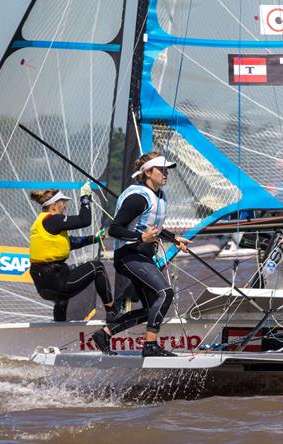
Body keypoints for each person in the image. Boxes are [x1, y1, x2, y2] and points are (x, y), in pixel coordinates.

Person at [91, 152, 190, 357]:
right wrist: (140, 238)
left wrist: (174, 239)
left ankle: (105, 334)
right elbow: (114, 229)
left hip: (142, 257)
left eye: (167, 170)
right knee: (165, 293)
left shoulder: (159, 196)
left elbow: (153, 229)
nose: (166, 174)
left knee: (149, 309)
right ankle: (150, 345)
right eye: (161, 170)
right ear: (147, 172)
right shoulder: (137, 198)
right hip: (129, 255)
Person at [29, 183, 116, 323]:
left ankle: (59, 326)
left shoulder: (39, 223)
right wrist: (85, 199)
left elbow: (70, 243)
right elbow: (84, 220)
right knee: (97, 267)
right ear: (55, 205)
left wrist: (93, 239)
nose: (65, 206)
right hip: (55, 280)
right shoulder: (53, 219)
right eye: (63, 203)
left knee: (62, 299)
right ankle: (112, 312)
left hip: (43, 286)